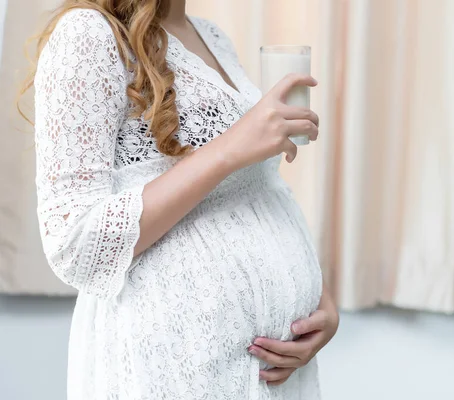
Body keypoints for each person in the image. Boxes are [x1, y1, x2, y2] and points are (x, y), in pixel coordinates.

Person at [23, 0, 339, 398]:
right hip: (176, 367)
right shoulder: (88, 35)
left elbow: (260, 187)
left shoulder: (211, 37)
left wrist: (321, 302)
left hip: (266, 375)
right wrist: (228, 150)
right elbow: (74, 243)